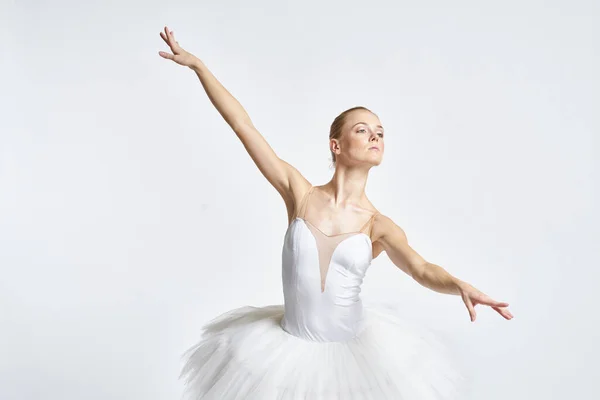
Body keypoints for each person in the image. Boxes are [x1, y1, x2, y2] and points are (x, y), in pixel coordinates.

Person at [158, 26, 513, 399]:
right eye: (363, 130)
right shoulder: (300, 193)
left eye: (380, 131)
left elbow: (422, 269)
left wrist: (458, 285)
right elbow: (242, 125)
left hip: (354, 359)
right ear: (336, 145)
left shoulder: (379, 226)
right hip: (285, 355)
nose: (376, 136)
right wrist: (199, 67)